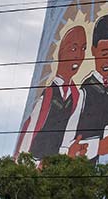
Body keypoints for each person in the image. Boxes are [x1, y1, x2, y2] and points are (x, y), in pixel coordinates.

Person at [65, 13, 108, 160]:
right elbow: (67, 142)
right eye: (104, 52)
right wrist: (100, 145)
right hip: (86, 166)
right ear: (93, 50)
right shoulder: (83, 92)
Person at [16, 26, 87, 159]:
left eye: (83, 49)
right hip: (33, 163)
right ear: (61, 52)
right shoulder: (47, 94)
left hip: (55, 167)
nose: (79, 55)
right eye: (73, 49)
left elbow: (69, 136)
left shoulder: (78, 96)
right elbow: (30, 131)